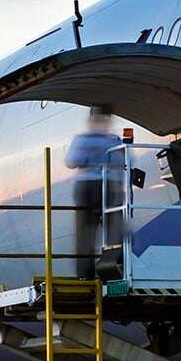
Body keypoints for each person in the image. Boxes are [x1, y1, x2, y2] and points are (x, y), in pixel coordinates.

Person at [65, 107, 122, 278]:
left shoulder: (83, 140)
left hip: (88, 186)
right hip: (105, 186)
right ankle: (115, 268)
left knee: (87, 231)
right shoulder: (113, 141)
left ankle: (86, 273)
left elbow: (71, 161)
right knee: (113, 229)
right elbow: (125, 160)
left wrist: (89, 157)